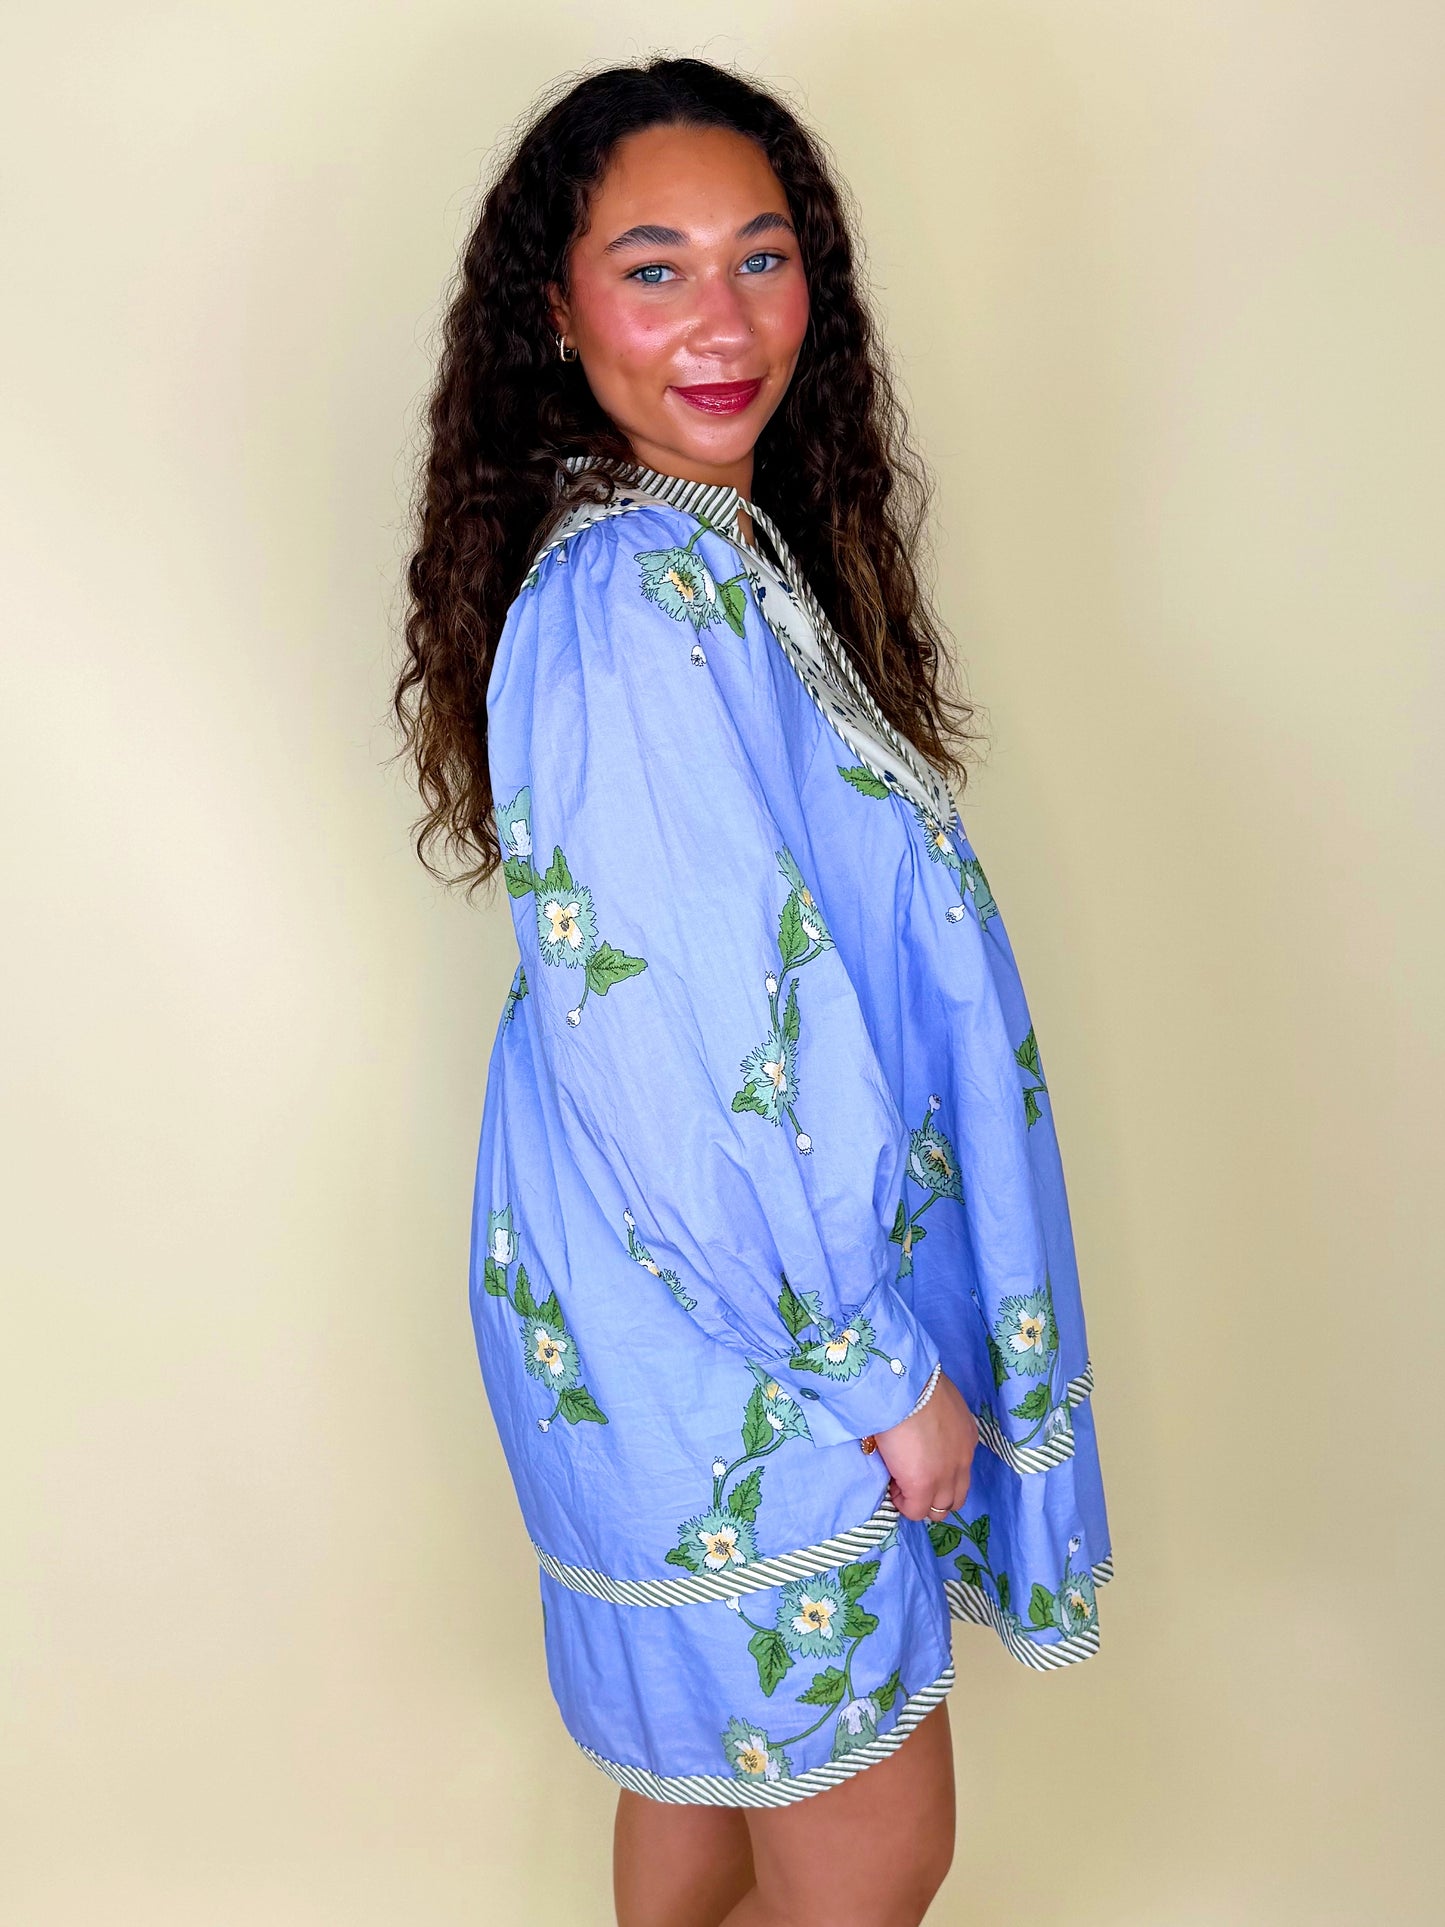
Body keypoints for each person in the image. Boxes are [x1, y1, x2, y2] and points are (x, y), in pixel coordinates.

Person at [397, 55, 1111, 1927]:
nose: (722, 323)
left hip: (695, 1313)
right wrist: (877, 1370)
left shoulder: (701, 561)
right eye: (654, 270)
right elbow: (703, 1052)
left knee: (709, 1797)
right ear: (554, 314)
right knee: (866, 1856)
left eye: (761, 258)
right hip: (751, 1338)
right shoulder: (636, 604)